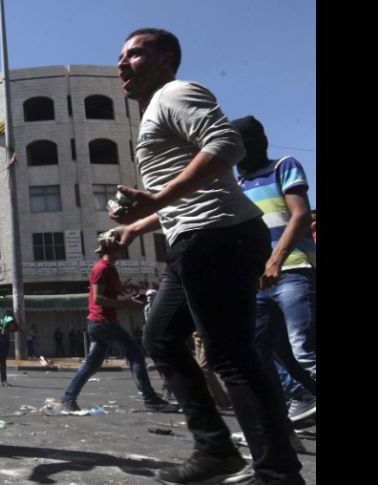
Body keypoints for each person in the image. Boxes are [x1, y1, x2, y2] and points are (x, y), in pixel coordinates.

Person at [111, 28, 303, 485]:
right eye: (120, 56)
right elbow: (183, 197)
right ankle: (217, 450)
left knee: (231, 354)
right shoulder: (155, 112)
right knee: (161, 340)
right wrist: (134, 224)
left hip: (219, 236)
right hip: (195, 240)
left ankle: (278, 473)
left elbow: (227, 144)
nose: (122, 63)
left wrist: (156, 199)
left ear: (165, 61)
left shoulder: (175, 92)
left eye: (135, 54)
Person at [232, 115, 316, 423]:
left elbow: (301, 214)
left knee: (305, 351)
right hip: (259, 281)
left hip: (293, 270)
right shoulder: (238, 184)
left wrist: (276, 260)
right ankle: (284, 418)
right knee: (255, 351)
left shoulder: (284, 166)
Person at [60, 236, 177, 414]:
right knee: (136, 355)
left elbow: (114, 295)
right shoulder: (101, 269)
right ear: (111, 250)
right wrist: (127, 303)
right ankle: (150, 400)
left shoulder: (111, 270)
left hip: (102, 322)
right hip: (102, 322)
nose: (123, 250)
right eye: (119, 248)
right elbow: (98, 299)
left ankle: (68, 399)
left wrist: (130, 299)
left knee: (92, 364)